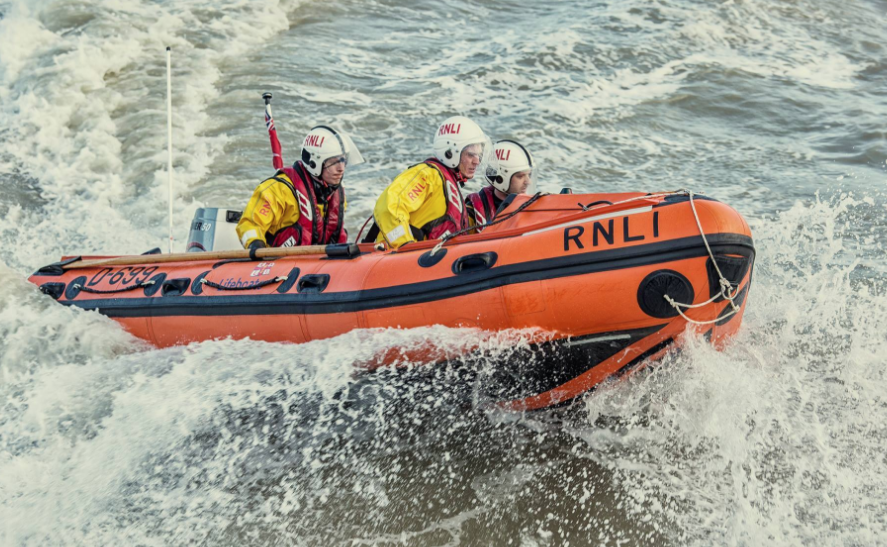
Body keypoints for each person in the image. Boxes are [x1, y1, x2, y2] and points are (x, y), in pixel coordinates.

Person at [236, 125, 364, 250]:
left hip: (318, 265)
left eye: (343, 160)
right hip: (279, 265)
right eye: (333, 162)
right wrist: (255, 246)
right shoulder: (278, 190)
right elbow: (249, 225)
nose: (341, 168)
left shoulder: (336, 194)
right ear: (314, 163)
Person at [370, 116, 490, 249]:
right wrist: (404, 246)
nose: (477, 161)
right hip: (401, 261)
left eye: (478, 155)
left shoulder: (448, 185)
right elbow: (389, 207)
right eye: (470, 155)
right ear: (450, 153)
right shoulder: (427, 175)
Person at [465, 140, 533, 231]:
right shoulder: (472, 212)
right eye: (520, 176)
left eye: (529, 175)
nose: (528, 182)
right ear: (501, 178)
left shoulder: (532, 207)